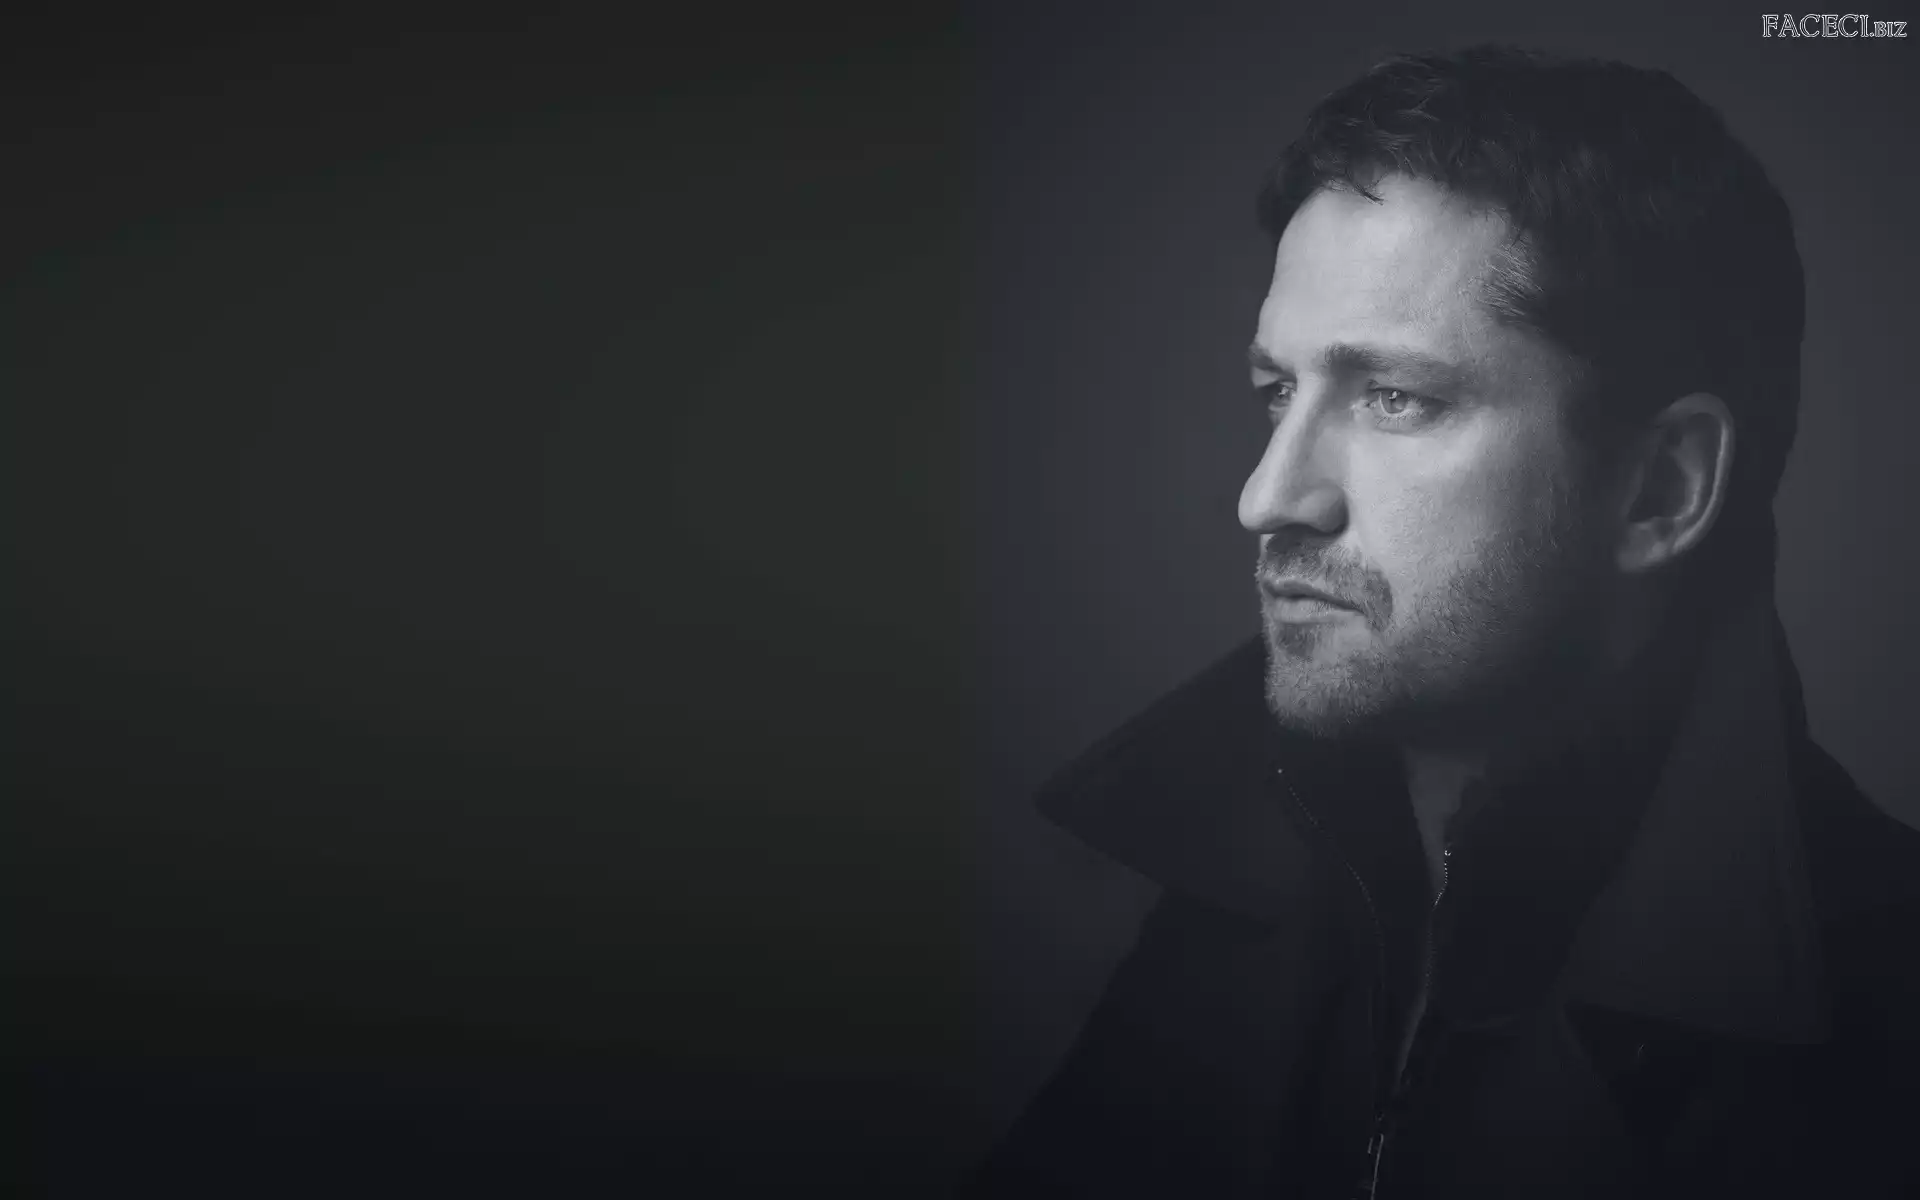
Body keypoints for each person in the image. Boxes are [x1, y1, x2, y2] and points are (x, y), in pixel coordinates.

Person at [967, 45, 1920, 1198]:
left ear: (1662, 489)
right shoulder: (1209, 916)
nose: (1269, 498)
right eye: (1279, 391)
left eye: (1395, 398)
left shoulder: (1882, 1038)